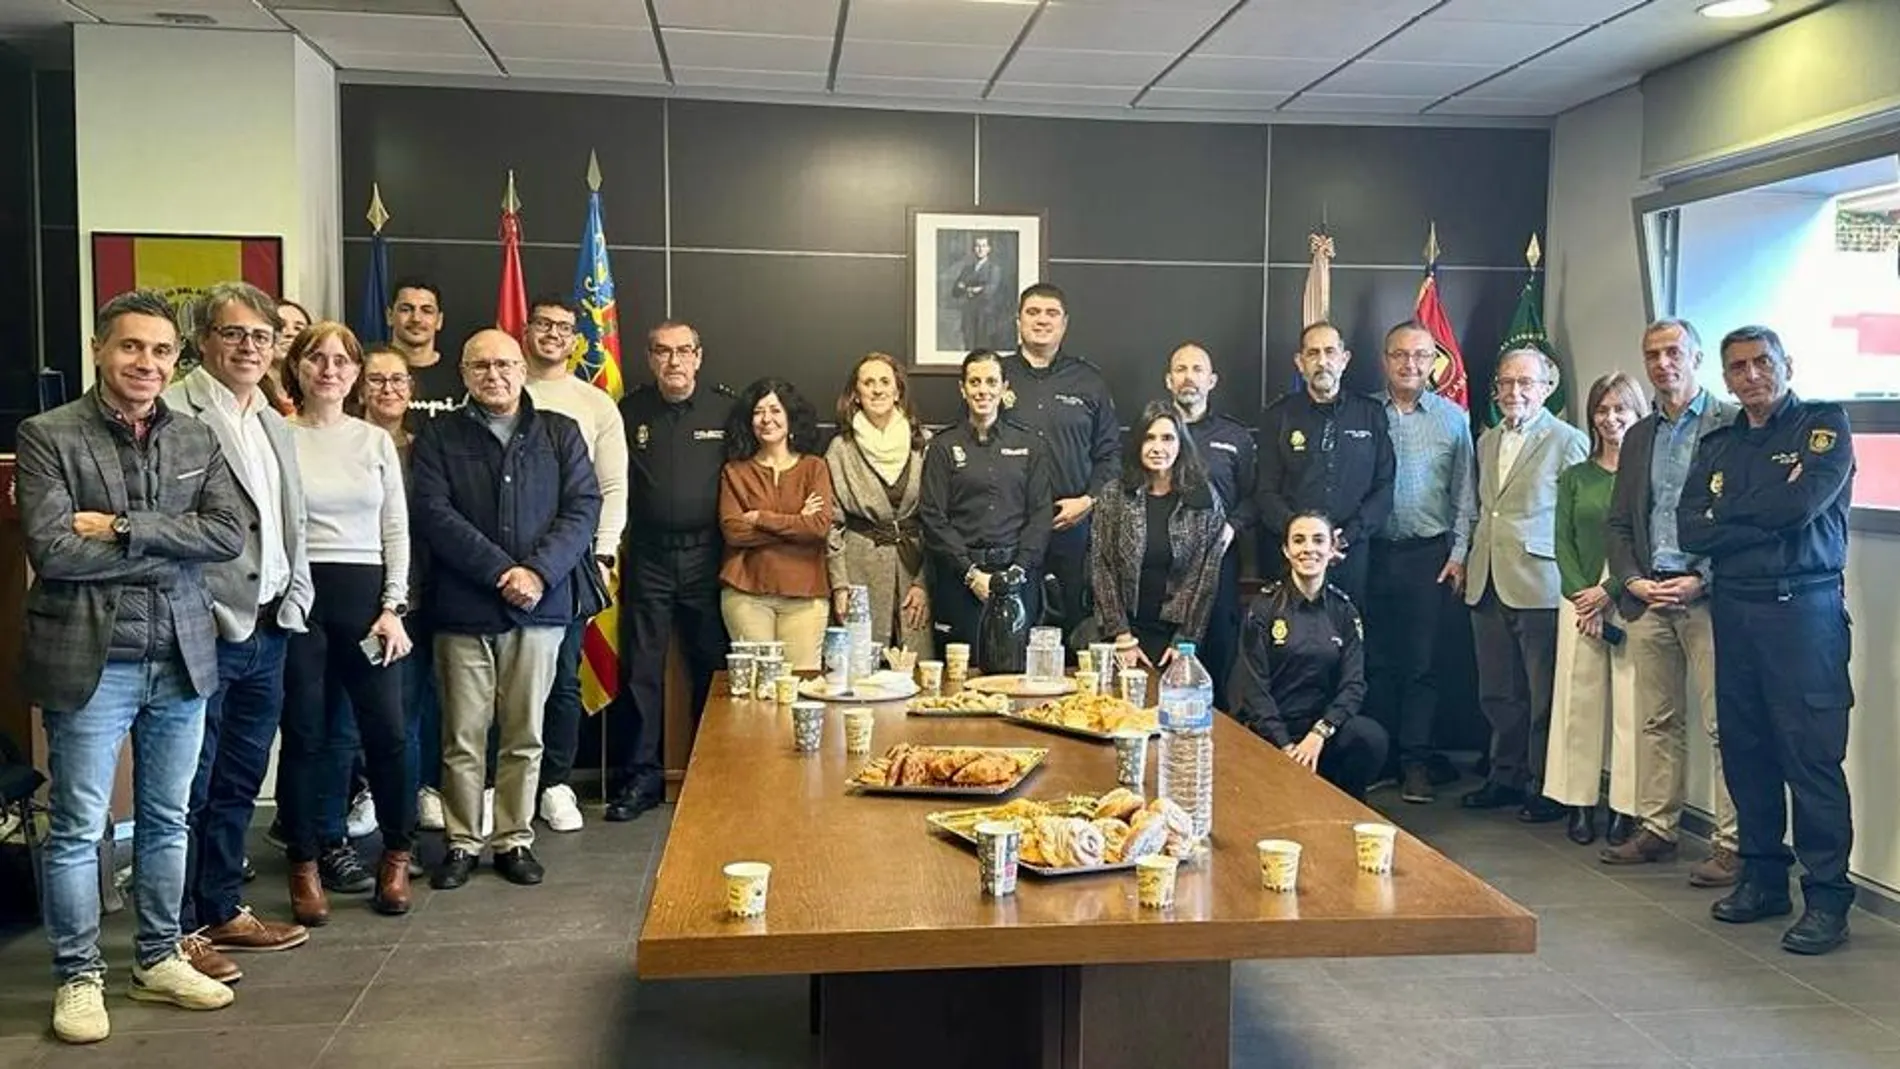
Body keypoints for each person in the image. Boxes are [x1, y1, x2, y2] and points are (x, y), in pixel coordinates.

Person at [18, 290, 244, 1044]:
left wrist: (120, 529)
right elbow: (53, 551)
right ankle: (78, 976)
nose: (146, 363)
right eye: (130, 347)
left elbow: (225, 535)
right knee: (82, 828)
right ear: (98, 349)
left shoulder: (195, 439)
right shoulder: (48, 435)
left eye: (159, 351)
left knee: (167, 818)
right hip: (92, 661)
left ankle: (156, 957)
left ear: (175, 359)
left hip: (181, 656)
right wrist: (165, 548)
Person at [1679, 325, 1856, 956]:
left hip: (1802, 612)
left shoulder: (1822, 427)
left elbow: (1800, 508)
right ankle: (1762, 878)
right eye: (1738, 367)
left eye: (1762, 363)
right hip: (1735, 609)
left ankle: (1828, 899)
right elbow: (1691, 528)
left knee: (1809, 758)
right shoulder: (1720, 442)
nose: (1751, 375)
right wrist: (1753, 512)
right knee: (1747, 751)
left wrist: (1732, 517)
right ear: (1725, 377)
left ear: (1786, 364)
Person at [411, 330, 601, 890]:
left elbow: (583, 508)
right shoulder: (440, 435)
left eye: (504, 364)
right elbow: (433, 513)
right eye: (481, 366)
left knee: (525, 734)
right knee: (463, 736)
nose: (494, 375)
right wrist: (501, 572)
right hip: (465, 609)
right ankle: (464, 841)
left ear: (522, 370)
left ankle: (514, 839)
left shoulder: (560, 433)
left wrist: (537, 572)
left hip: (541, 607)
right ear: (464, 375)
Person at [164, 281, 316, 977]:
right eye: (234, 334)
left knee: (239, 778)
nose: (250, 346)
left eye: (262, 335)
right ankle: (176, 928)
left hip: (270, 625)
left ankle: (222, 906)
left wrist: (297, 596)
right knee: (186, 785)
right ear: (203, 342)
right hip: (200, 628)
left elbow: (292, 522)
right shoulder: (172, 409)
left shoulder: (275, 419)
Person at [277, 322, 417, 921]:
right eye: (317, 358)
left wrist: (393, 607)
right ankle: (304, 864)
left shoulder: (373, 442)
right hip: (299, 599)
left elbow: (395, 531)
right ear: (298, 368)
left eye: (342, 360)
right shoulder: (275, 435)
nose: (329, 369)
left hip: (365, 603)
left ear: (356, 373)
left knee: (385, 733)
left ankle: (397, 855)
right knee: (305, 736)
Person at [1602, 318, 1742, 882]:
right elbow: (1618, 524)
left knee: (1723, 724)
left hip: (1705, 597)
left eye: (1673, 352)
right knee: (1657, 719)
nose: (1663, 363)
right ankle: (1658, 827)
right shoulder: (1640, 434)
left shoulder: (1730, 426)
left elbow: (1740, 518)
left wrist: (1701, 578)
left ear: (1697, 356)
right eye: (1652, 354)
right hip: (1649, 595)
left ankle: (1733, 842)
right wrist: (1632, 580)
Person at [608, 321, 733, 823]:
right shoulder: (629, 411)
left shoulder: (726, 409)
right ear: (650, 357)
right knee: (641, 670)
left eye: (684, 351)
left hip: (709, 555)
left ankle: (716, 774)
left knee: (713, 668)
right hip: (651, 556)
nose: (674, 361)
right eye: (663, 352)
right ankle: (639, 778)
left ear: (700, 357)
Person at [1461, 348, 1588, 823]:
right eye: (1507, 383)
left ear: (1546, 388)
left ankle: (1545, 785)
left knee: (1542, 694)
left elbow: (1574, 520)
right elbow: (1483, 508)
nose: (1514, 392)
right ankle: (1505, 775)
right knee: (1498, 691)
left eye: (1526, 383)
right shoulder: (1487, 440)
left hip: (1540, 581)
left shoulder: (1568, 441)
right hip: (1487, 578)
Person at [522, 295, 629, 834]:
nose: (553, 334)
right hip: (502, 564)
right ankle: (503, 787)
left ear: (576, 339)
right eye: (543, 324)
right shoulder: (502, 391)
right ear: (525, 330)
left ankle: (555, 784)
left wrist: (605, 550)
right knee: (500, 681)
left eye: (565, 327)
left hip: (572, 563)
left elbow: (612, 486)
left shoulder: (594, 404)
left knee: (563, 678)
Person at [1367, 321, 1477, 803]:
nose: (1409, 364)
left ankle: (1416, 762)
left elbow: (1465, 494)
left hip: (1427, 556)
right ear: (1384, 360)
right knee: (1373, 660)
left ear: (1434, 362)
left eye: (1419, 355)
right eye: (1399, 355)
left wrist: (1458, 554)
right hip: (1369, 553)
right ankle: (1382, 758)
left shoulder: (1453, 419)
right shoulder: (1364, 413)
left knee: (1422, 664)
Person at [1545, 373, 1646, 847]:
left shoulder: (1645, 478)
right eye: (1602, 411)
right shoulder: (1575, 477)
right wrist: (1581, 595)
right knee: (1577, 704)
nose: (1611, 419)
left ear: (1637, 414)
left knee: (1631, 707)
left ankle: (1626, 809)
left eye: (1620, 410)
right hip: (1579, 603)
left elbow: (1646, 542)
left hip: (1629, 600)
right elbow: (1561, 541)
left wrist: (1608, 590)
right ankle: (1579, 803)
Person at [1235, 512, 1390, 801]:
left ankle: (1348, 806)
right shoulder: (1263, 607)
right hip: (1271, 731)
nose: (1309, 549)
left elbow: (1353, 686)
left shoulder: (1345, 611)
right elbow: (1253, 688)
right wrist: (1284, 745)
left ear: (1332, 550)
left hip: (1321, 732)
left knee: (1370, 737)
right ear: (1286, 550)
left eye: (1319, 540)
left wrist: (1319, 733)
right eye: (1299, 540)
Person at [358, 346, 445, 833]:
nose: (388, 389)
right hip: (357, 590)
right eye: (376, 380)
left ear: (412, 389)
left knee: (414, 705)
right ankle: (367, 791)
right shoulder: (345, 441)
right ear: (359, 386)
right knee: (354, 712)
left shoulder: (426, 447)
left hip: (417, 593)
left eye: (398, 380)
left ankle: (415, 793)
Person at [999, 284, 1119, 640]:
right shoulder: (995, 376)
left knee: (1073, 636)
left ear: (1064, 323)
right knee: (1011, 632)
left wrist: (1088, 501)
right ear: (1017, 320)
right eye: (1033, 312)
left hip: (1073, 528)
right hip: (1009, 528)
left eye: (1051, 313)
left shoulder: (1089, 380)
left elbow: (1110, 455)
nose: (1042, 320)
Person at [1256, 321, 1395, 609]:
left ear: (1344, 360)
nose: (1322, 362)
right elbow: (1266, 491)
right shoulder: (1277, 416)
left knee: (1349, 641)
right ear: (1300, 362)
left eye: (1330, 352)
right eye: (1313, 353)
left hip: (1351, 554)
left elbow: (1384, 486)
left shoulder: (1370, 414)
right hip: (1293, 556)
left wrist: (1347, 536)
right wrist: (1304, 538)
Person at [920, 350, 1054, 650]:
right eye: (975, 382)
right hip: (962, 581)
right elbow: (933, 518)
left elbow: (1041, 515)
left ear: (1005, 388)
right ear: (962, 389)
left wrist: (1018, 571)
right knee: (960, 676)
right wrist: (971, 575)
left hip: (1018, 578)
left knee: (1017, 675)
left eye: (991, 382)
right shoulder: (943, 447)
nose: (983, 390)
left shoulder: (1030, 445)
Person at [1089, 401, 1231, 668]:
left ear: (1181, 444)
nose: (1158, 448)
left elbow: (1205, 578)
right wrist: (1121, 635)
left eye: (1167, 438)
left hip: (1177, 638)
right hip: (1122, 634)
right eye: (1149, 438)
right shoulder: (1114, 494)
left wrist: (1185, 642)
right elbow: (1101, 567)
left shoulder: (1203, 498)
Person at [717, 379, 835, 669]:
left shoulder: (814, 467)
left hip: (806, 597)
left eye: (775, 410)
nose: (767, 419)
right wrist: (797, 521)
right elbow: (734, 531)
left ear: (791, 417)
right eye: (758, 412)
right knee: (757, 691)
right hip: (747, 596)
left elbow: (818, 526)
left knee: (799, 690)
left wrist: (761, 518)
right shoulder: (735, 471)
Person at [825, 353, 933, 657]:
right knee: (860, 670)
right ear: (856, 394)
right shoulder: (841, 449)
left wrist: (924, 583)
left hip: (914, 568)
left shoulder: (923, 443)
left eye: (885, 381)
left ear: (898, 390)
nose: (877, 389)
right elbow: (832, 523)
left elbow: (938, 520)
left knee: (917, 672)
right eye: (868, 383)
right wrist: (840, 586)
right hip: (860, 571)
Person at [1165, 342, 1255, 704]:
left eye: (1197, 370)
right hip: (1163, 570)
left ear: (1212, 380)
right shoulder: (1153, 432)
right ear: (1168, 380)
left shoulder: (1236, 437)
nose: (1189, 377)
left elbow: (1254, 497)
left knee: (1215, 669)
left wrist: (1232, 526)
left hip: (1218, 567)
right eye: (1181, 369)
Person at [385, 278, 461, 417]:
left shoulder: (461, 375)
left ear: (439, 321)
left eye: (426, 311)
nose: (416, 318)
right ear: (389, 316)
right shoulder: (369, 372)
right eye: (406, 309)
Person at [951, 234, 1001, 350]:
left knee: (982, 349)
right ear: (974, 249)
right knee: (968, 346)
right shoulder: (967, 269)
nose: (980, 249)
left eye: (983, 246)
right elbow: (955, 291)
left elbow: (990, 291)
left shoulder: (993, 269)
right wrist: (976, 288)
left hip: (984, 317)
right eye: (977, 246)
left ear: (989, 249)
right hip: (968, 315)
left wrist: (967, 288)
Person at [264, 299, 310, 416]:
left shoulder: (318, 391)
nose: (290, 333)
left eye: (298, 328)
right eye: (281, 326)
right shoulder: (248, 391)